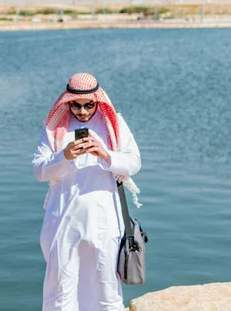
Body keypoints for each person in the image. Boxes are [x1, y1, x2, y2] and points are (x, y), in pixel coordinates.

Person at [32, 72, 142, 311]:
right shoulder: (54, 129)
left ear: (97, 101)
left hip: (105, 222)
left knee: (107, 290)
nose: (82, 111)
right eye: (76, 105)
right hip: (62, 222)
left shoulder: (113, 125)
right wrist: (65, 155)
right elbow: (39, 171)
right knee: (61, 292)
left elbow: (134, 163)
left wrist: (105, 154)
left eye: (88, 105)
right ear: (67, 101)